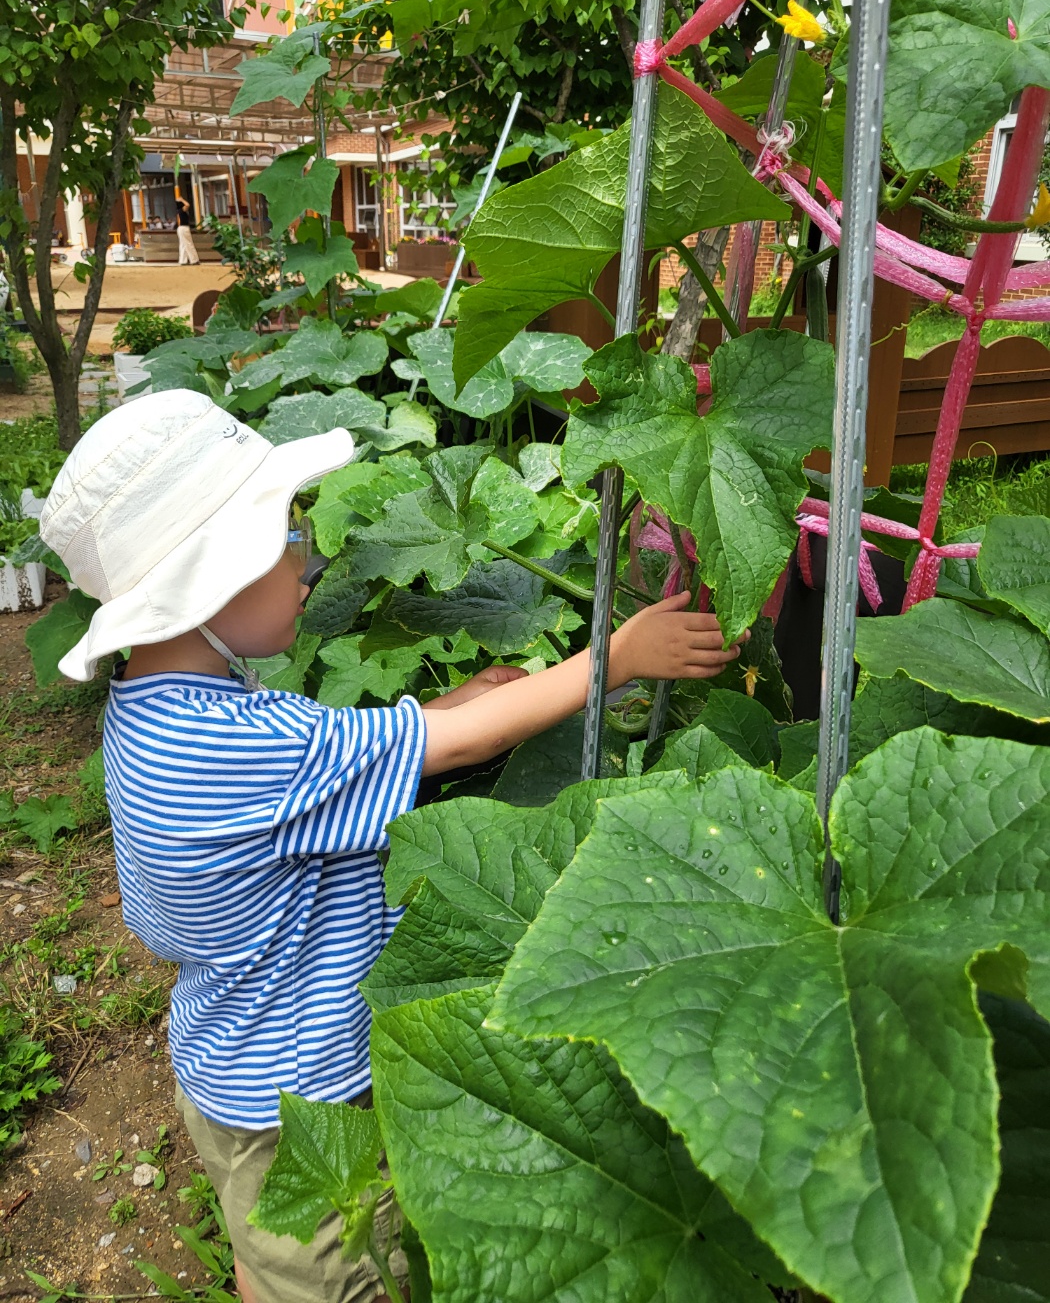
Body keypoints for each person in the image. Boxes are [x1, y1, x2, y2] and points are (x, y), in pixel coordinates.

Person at [40, 390, 746, 1303]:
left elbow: (343, 753)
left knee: (267, 1251)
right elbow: (450, 749)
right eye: (285, 545)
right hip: (306, 1096)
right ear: (204, 588)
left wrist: (449, 704)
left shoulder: (165, 718)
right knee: (342, 1276)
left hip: (229, 1068)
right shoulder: (248, 752)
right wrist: (614, 656)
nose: (308, 563)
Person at [175, 195, 199, 265]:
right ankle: (194, 260)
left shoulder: (179, 211)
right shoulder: (182, 210)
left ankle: (183, 260)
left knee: (183, 244)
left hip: (180, 228)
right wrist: (182, 199)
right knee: (189, 243)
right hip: (184, 227)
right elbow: (188, 205)